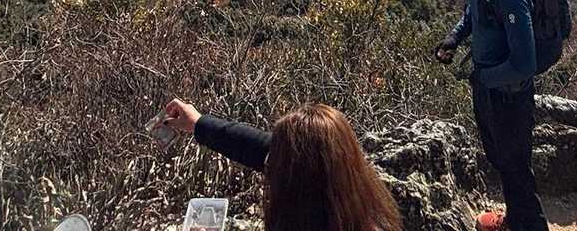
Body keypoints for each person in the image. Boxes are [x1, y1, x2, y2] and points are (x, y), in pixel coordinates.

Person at [435, 0, 548, 231]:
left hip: (509, 96)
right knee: (502, 160)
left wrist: (484, 78)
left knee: (516, 169)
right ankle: (514, 220)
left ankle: (530, 224)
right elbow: (474, 14)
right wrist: (454, 37)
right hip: (487, 87)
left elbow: (524, 64)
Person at [160, 99, 402, 231]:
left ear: (297, 186)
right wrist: (199, 123)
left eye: (275, 163)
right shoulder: (353, 201)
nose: (268, 163)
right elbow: (258, 147)